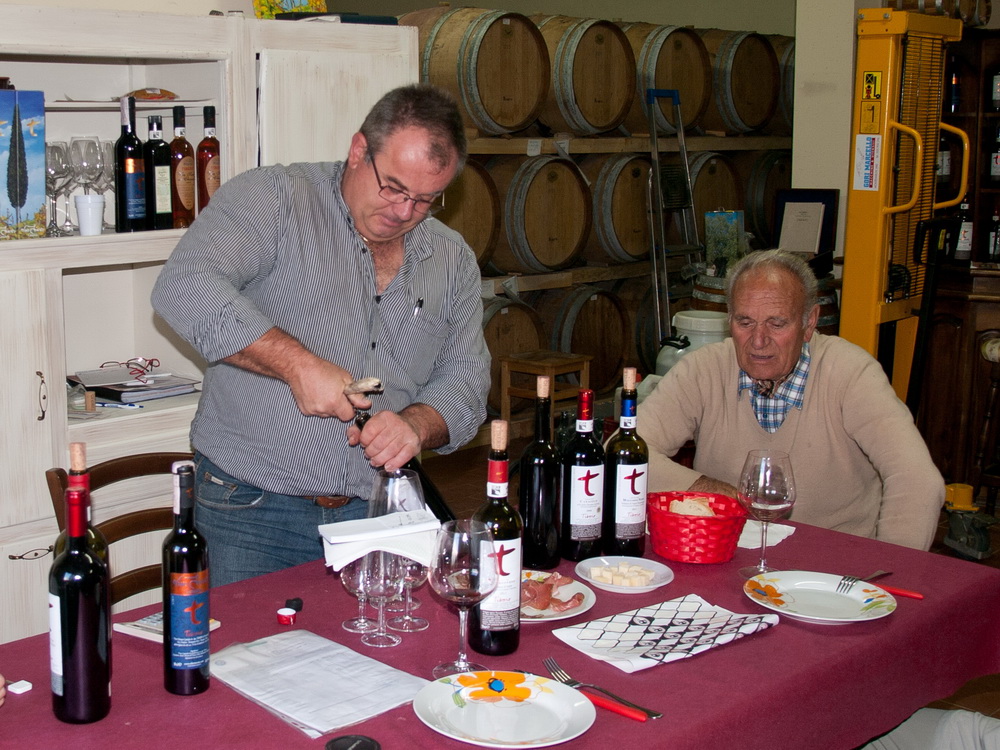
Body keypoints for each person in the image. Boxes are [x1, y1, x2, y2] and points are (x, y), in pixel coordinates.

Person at [151, 84, 491, 586]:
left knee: (383, 637)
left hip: (378, 513)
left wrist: (416, 426)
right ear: (358, 151)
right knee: (241, 640)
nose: (403, 211)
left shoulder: (451, 257)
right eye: (393, 188)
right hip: (251, 511)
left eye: (424, 200)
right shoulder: (275, 199)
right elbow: (183, 286)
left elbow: (466, 381)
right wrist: (298, 366)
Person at [637, 249, 944, 550]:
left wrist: (894, 567)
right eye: (745, 322)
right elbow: (626, 452)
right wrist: (709, 491)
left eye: (777, 323)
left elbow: (916, 478)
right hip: (727, 556)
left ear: (809, 323)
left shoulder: (850, 374)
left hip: (834, 565)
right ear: (729, 320)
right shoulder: (704, 370)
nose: (758, 341)